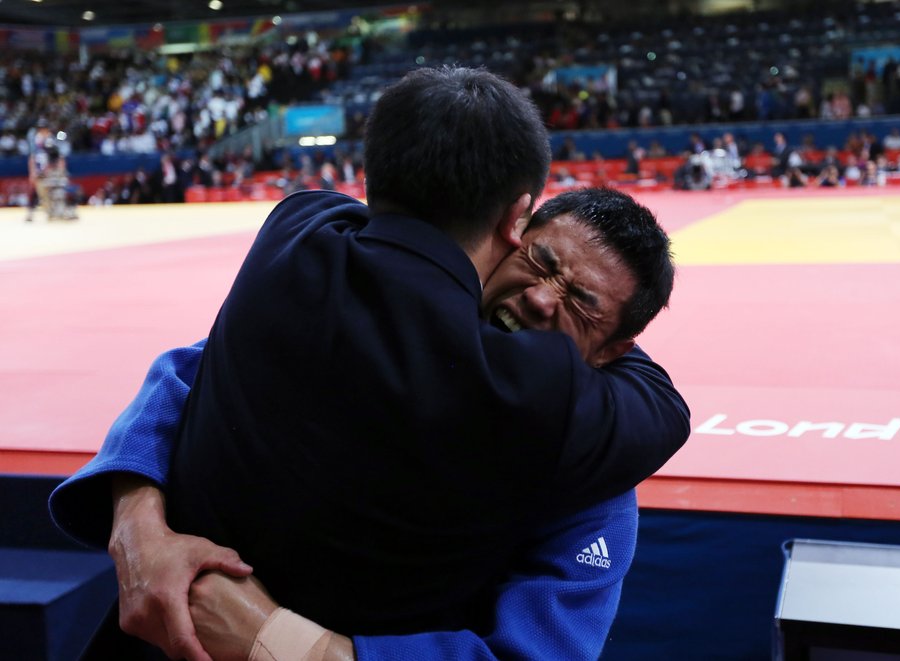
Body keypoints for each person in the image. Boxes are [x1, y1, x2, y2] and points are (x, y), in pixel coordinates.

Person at [51, 67, 689, 659]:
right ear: (513, 230)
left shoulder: (585, 462)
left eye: (583, 304)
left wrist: (284, 645)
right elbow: (184, 370)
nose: (543, 298)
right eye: (543, 261)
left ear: (614, 350)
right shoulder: (568, 414)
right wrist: (138, 524)